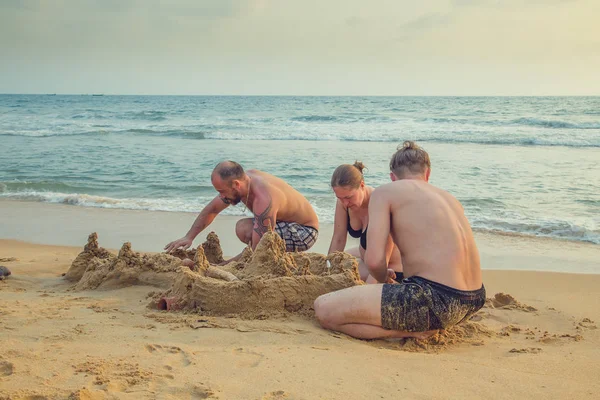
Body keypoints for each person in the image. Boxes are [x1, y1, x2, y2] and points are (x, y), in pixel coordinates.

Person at [314, 141, 485, 339]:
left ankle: (415, 332)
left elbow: (375, 261)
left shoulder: (384, 193)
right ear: (427, 174)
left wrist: (384, 276)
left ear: (393, 177)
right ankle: (425, 324)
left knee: (323, 309)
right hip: (474, 299)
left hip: (434, 300)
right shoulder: (449, 198)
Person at [164, 161, 319, 261]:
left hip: (305, 232)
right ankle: (281, 257)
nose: (221, 196)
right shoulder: (244, 182)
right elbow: (212, 209)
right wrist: (189, 236)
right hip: (283, 223)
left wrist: (224, 265)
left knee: (245, 230)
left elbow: (259, 248)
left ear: (236, 184)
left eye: (222, 191)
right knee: (244, 228)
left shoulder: (263, 199)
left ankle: (278, 258)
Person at [328, 162, 403, 283]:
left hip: (391, 271)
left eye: (348, 197)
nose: (345, 203)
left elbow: (380, 263)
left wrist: (364, 293)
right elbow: (338, 239)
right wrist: (328, 270)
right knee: (337, 264)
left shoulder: (380, 205)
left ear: (362, 185)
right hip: (367, 261)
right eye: (339, 198)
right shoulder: (343, 202)